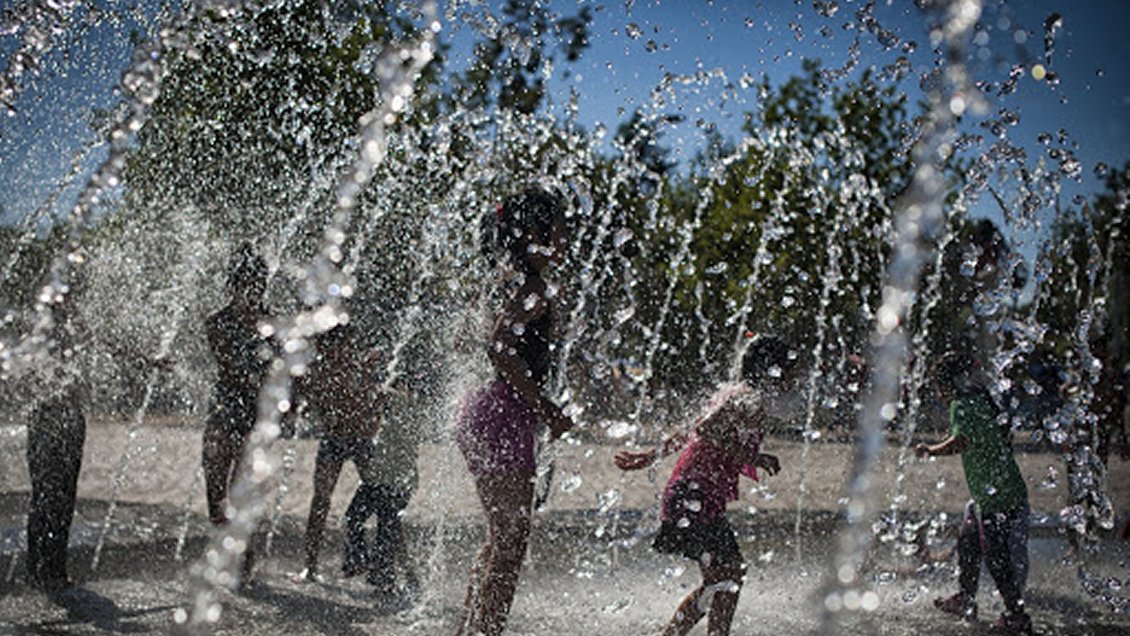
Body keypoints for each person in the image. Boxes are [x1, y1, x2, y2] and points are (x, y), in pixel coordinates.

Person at [613, 334, 796, 636]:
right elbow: (705, 429)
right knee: (729, 575)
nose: (793, 377)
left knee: (725, 577)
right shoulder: (748, 398)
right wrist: (755, 457)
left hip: (696, 493)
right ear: (771, 369)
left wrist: (650, 456)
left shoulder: (735, 393)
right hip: (694, 494)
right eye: (790, 369)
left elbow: (691, 430)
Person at [454, 187, 574, 636]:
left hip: (488, 412)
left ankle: (470, 628)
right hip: (505, 415)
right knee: (511, 545)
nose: (566, 235)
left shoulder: (511, 278)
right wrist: (547, 408)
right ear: (536, 233)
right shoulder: (532, 287)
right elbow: (501, 349)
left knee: (499, 540)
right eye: (560, 226)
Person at [915, 352, 1032, 635]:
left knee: (995, 555)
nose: (939, 393)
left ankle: (1017, 616)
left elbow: (961, 441)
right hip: (996, 491)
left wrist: (930, 450)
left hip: (997, 497)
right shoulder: (983, 401)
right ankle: (965, 599)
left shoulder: (962, 405)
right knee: (968, 539)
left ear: (948, 384)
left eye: (938, 386)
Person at [292, 323, 387, 586]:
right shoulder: (317, 370)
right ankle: (309, 566)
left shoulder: (359, 366)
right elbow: (301, 400)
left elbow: (376, 402)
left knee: (383, 502)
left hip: (361, 440)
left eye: (344, 345)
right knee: (320, 501)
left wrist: (371, 386)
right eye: (334, 345)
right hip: (333, 441)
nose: (341, 351)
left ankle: (401, 567)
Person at [201, 242, 270, 582]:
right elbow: (231, 369)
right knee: (216, 498)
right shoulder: (217, 322)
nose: (254, 293)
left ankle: (243, 564)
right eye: (248, 285)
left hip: (252, 419)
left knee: (241, 495)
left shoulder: (271, 325)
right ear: (235, 285)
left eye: (259, 286)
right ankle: (231, 552)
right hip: (222, 414)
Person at [25, 291, 87, 593]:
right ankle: (38, 568)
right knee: (45, 495)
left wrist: (149, 361)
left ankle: (55, 568)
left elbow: (112, 346)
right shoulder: (40, 334)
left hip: (72, 419)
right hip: (46, 418)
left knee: (65, 495)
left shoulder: (76, 329)